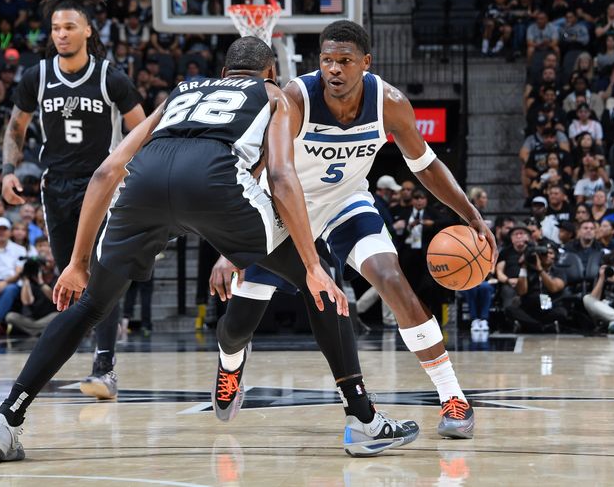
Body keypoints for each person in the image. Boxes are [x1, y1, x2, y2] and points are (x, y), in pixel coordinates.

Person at [0, 36, 415, 463]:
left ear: (223, 73)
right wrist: (312, 265)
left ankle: (5, 415)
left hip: (145, 186)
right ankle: (364, 421)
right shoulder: (275, 95)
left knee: (91, 305)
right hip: (216, 186)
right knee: (322, 288)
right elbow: (281, 177)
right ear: (271, 73)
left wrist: (77, 262)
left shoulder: (181, 92)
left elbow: (107, 171)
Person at [208, 22, 495, 441]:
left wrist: (470, 215)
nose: (334, 70)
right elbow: (256, 167)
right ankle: (230, 367)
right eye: (327, 61)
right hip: (285, 212)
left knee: (393, 280)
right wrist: (230, 246)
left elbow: (426, 166)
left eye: (344, 61)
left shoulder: (390, 103)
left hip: (346, 202)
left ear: (366, 63)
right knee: (238, 325)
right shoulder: (295, 98)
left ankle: (453, 397)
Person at [0, 0, 145, 399]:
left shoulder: (110, 78)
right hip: (55, 187)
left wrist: (138, 177)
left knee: (99, 275)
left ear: (87, 31)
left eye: (68, 27)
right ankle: (60, 362)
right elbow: (16, 127)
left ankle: (105, 368)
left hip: (101, 187)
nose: (61, 34)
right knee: (70, 279)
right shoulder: (37, 77)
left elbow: (144, 130)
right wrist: (9, 169)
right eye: (55, 29)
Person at [510, 243, 567, 332]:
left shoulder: (559, 272)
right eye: (544, 254)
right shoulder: (529, 271)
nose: (547, 256)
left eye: (551, 253)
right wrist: (524, 267)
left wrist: (540, 270)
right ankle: (541, 326)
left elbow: (553, 287)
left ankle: (531, 325)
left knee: (562, 312)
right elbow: (521, 292)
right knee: (510, 310)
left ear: (555, 256)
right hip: (529, 309)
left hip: (549, 309)